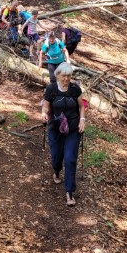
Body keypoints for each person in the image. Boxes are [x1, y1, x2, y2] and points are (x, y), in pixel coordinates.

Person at [41, 62, 86, 206]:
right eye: (64, 76)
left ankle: (69, 192)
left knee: (70, 159)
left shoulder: (75, 89)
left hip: (73, 128)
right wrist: (44, 114)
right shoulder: (51, 89)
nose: (66, 79)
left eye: (69, 76)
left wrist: (82, 120)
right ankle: (56, 169)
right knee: (56, 156)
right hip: (55, 127)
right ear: (58, 75)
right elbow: (46, 106)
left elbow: (81, 106)